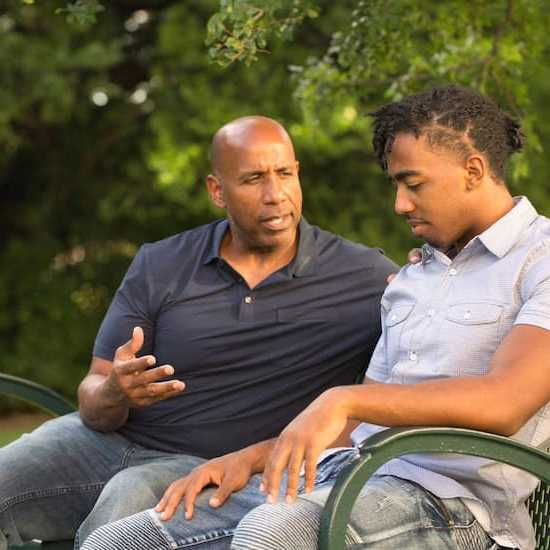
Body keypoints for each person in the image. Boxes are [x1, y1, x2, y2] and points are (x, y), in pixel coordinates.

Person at [0, 116, 397, 550]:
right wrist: (115, 390)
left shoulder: (364, 277)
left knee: (126, 501)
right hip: (102, 441)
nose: (275, 195)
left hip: (210, 466)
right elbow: (93, 399)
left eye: (284, 174)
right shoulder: (161, 263)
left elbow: (426, 339)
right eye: (253, 179)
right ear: (216, 191)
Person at [222, 86, 550, 549]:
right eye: (396, 185)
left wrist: (342, 398)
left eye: (413, 184)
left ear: (473, 170)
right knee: (137, 535)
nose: (400, 204)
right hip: (355, 474)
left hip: (457, 508)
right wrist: (251, 458)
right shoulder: (416, 275)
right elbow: (363, 420)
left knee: (272, 531)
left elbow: (506, 402)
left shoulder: (540, 260)